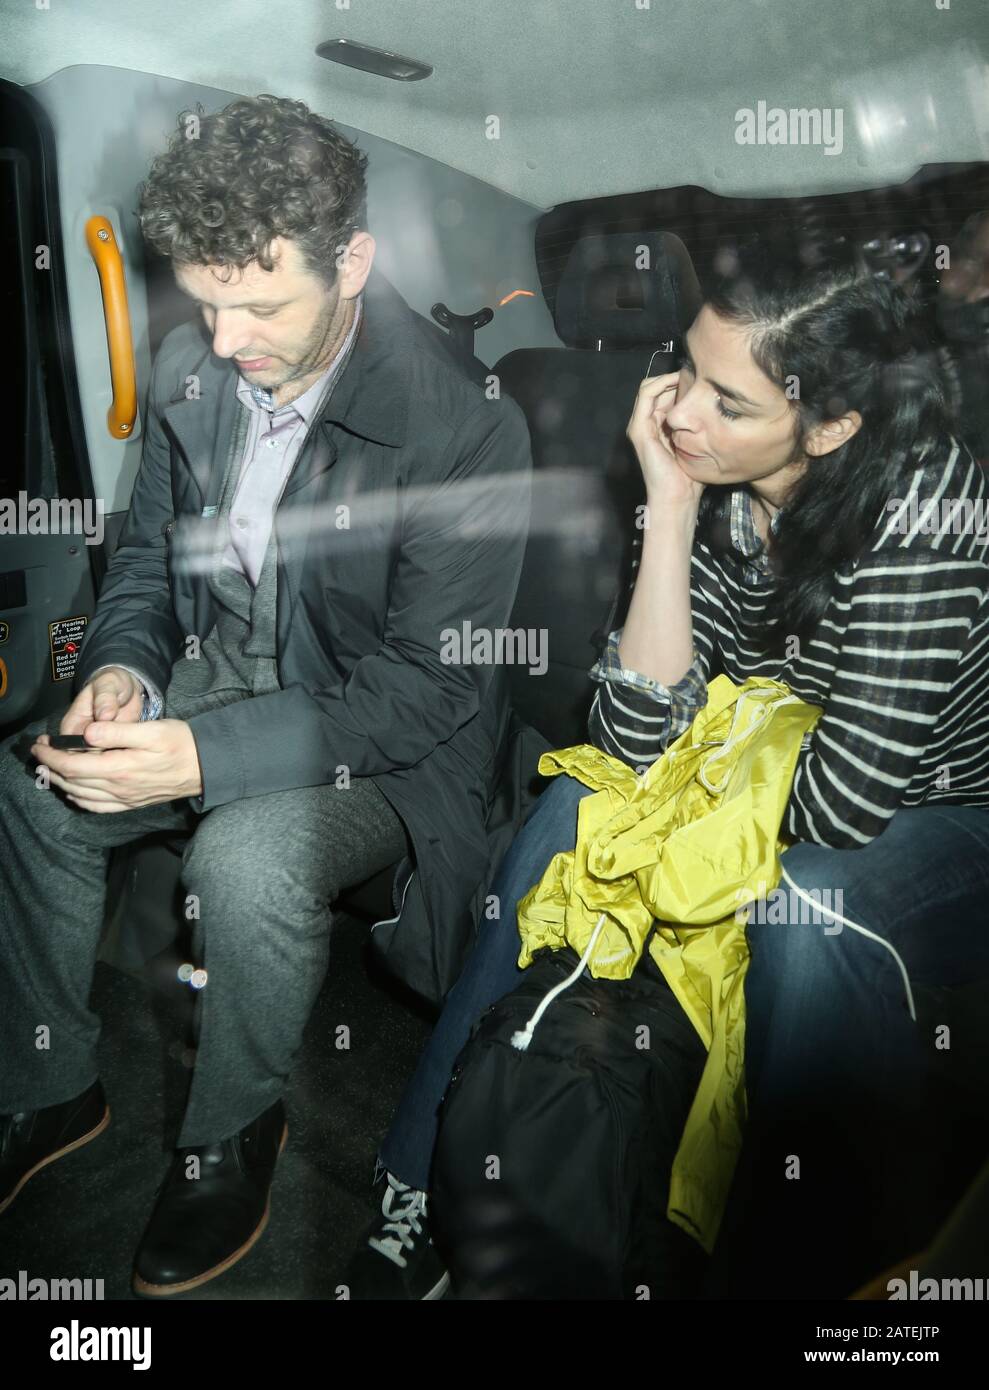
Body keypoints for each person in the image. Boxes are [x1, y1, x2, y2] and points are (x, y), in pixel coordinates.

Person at [349, 264, 989, 1299]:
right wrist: (673, 503)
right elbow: (635, 733)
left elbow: (840, 806)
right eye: (684, 368)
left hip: (942, 811)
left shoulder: (925, 496)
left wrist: (676, 826)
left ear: (827, 428)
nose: (679, 409)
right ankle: (423, 1177)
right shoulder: (713, 486)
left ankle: (799, 1255)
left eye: (726, 400)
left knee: (810, 900)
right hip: (745, 770)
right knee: (570, 805)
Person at [0, 93, 532, 1296]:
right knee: (29, 785)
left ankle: (229, 1130)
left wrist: (199, 758)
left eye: (262, 303)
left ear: (353, 259)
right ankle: (50, 1088)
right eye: (205, 300)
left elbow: (430, 687)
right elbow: (143, 564)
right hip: (216, 678)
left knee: (241, 859)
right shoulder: (198, 371)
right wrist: (125, 670)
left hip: (381, 740)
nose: (226, 337)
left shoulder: (461, 429)